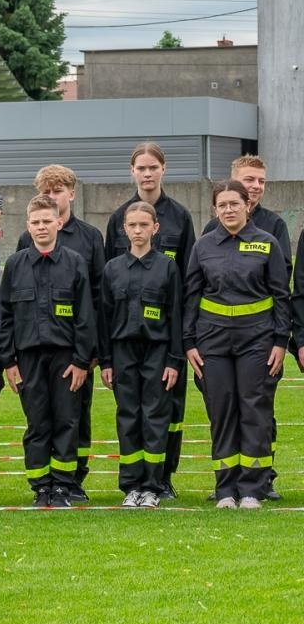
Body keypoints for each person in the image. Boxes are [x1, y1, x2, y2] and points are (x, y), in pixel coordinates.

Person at [184, 179, 291, 509]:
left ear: (248, 205)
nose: (228, 209)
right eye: (222, 205)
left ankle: (252, 489)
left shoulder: (267, 243)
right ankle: (225, 489)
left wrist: (279, 341)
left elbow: (281, 296)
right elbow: (190, 297)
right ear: (214, 209)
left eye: (235, 203)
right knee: (222, 410)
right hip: (212, 342)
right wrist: (189, 342)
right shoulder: (203, 247)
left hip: (257, 341)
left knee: (254, 409)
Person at [103, 143, 195, 497]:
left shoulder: (180, 217)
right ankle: (135, 483)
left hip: (163, 338)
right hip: (126, 337)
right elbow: (110, 287)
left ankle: (161, 479)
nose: (146, 173)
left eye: (152, 167)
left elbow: (188, 282)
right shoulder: (117, 219)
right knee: (130, 415)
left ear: (163, 169)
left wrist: (179, 347)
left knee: (166, 413)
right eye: (140, 167)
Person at [14, 165, 106, 501]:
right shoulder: (26, 245)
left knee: (75, 416)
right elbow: (14, 302)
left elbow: (95, 297)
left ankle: (72, 480)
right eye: (46, 192)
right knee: (40, 419)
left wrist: (90, 352)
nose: (51, 197)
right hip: (34, 348)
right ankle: (44, 485)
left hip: (75, 348)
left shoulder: (90, 237)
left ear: (71, 194)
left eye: (57, 191)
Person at [0, 196, 95, 508]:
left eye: (46, 221)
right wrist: (8, 361)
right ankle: (41, 487)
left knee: (67, 421)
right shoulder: (15, 266)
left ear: (59, 223)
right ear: (28, 226)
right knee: (38, 424)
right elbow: (5, 316)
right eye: (35, 222)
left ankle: (64, 487)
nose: (41, 227)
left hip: (66, 359)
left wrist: (82, 361)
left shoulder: (74, 262)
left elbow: (85, 316)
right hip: (28, 359)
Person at [100, 202, 182, 508]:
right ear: (124, 229)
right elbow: (104, 320)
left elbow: (175, 315)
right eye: (132, 225)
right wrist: (106, 361)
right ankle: (131, 486)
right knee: (128, 417)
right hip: (123, 352)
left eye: (143, 225)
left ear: (155, 228)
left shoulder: (167, 267)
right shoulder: (112, 269)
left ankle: (152, 485)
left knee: (155, 417)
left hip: (157, 352)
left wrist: (175, 360)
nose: (138, 231)